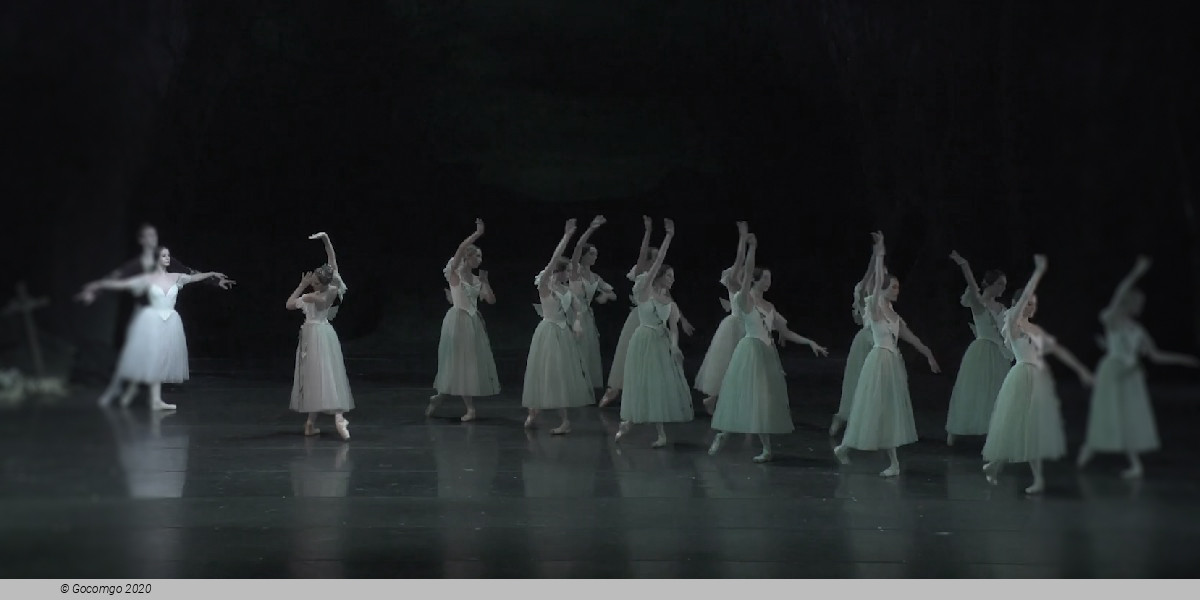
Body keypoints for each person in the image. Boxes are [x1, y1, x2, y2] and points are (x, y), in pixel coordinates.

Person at [709, 231, 829, 462]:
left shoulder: (770, 306)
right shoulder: (744, 299)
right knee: (745, 397)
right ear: (755, 280)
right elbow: (745, 275)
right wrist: (752, 248)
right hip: (750, 352)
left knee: (762, 400)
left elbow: (785, 332)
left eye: (770, 278)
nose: (769, 281)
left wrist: (809, 342)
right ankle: (724, 433)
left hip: (766, 354)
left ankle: (766, 449)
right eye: (765, 278)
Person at [1078, 256, 1199, 478]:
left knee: (1129, 418)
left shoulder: (1138, 330)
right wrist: (1137, 271)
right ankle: (1091, 446)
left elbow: (1156, 356)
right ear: (1128, 302)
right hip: (1112, 371)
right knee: (1108, 413)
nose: (1140, 306)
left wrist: (1184, 360)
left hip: (1131, 375)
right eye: (1137, 302)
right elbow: (1119, 292)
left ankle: (1135, 464)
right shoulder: (1112, 319)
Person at [982, 255, 1094, 494]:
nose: (1031, 306)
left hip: (1037, 379)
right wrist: (1039, 272)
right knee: (1019, 426)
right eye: (1028, 303)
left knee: (1029, 429)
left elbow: (1058, 350)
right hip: (1022, 376)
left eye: (1034, 304)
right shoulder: (1013, 323)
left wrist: (1081, 370)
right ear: (1019, 304)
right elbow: (1023, 298)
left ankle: (996, 466)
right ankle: (1026, 475)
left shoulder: (1035, 329)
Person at [834, 232, 941, 477]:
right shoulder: (873, 306)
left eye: (898, 287)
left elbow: (910, 336)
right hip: (879, 360)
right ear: (883, 287)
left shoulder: (893, 313)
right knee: (874, 407)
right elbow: (876, 282)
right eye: (894, 287)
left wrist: (928, 354)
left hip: (892, 361)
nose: (897, 290)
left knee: (887, 410)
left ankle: (880, 459)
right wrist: (880, 254)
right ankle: (851, 448)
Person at [78, 247, 229, 411]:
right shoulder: (148, 278)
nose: (168, 258)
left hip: (170, 322)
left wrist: (211, 273)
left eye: (168, 255)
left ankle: (142, 396)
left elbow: (195, 277)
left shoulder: (176, 277)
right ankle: (143, 396)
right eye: (164, 256)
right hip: (152, 322)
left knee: (159, 360)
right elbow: (122, 284)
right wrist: (96, 286)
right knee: (150, 359)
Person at [428, 219, 500, 422]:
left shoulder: (477, 280)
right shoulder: (455, 274)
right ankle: (467, 407)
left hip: (473, 323)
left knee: (466, 364)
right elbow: (460, 248)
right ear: (467, 257)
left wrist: (485, 282)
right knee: (457, 362)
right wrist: (477, 234)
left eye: (481, 256)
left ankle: (442, 397)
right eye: (477, 255)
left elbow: (491, 300)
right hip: (457, 321)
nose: (480, 259)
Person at [286, 232, 354, 441]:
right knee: (319, 376)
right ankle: (311, 423)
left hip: (317, 334)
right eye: (312, 281)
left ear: (322, 283)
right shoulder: (325, 291)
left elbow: (294, 304)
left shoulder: (320, 294)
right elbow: (332, 261)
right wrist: (326, 240)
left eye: (315, 282)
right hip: (317, 334)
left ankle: (338, 418)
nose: (312, 284)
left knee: (323, 375)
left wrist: (304, 290)